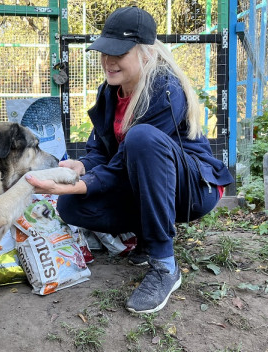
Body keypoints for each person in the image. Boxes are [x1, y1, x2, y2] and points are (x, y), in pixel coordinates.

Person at [25, 6, 234, 314]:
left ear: (145, 53)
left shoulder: (164, 88)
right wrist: (82, 167)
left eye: (118, 53)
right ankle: (144, 236)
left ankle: (164, 264)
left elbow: (127, 162)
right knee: (71, 207)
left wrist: (84, 185)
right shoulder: (110, 92)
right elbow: (101, 149)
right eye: (104, 52)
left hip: (193, 190)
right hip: (147, 184)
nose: (108, 61)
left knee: (142, 138)